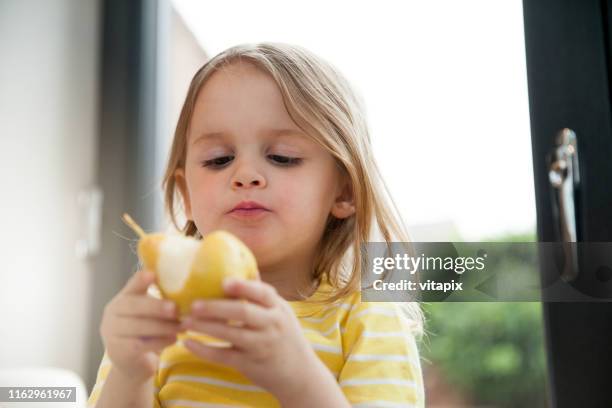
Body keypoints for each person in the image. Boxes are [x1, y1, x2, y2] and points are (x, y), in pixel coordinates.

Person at [88, 42, 426, 408]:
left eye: (282, 157)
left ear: (344, 192)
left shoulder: (368, 319)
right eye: (219, 160)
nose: (245, 174)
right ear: (187, 195)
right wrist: (129, 373)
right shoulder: (158, 316)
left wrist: (299, 379)